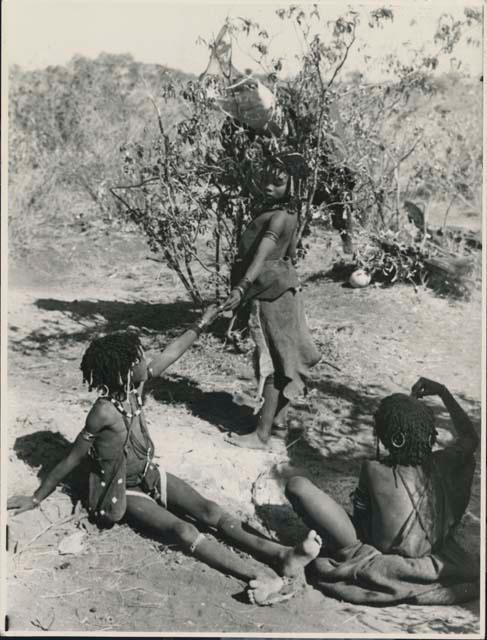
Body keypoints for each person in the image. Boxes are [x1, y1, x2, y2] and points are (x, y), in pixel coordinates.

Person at [7, 316, 322, 606]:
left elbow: (171, 354)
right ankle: (254, 576)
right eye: (140, 359)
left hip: (148, 473)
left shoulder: (136, 390)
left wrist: (202, 322)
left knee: (210, 510)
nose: (147, 362)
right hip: (122, 490)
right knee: (183, 530)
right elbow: (72, 457)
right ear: (123, 372)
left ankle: (282, 556)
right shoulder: (103, 412)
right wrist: (36, 498)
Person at [283, 377, 480, 605]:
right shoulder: (444, 462)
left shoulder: (373, 469)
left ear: (391, 439)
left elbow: (362, 521)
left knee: (297, 485)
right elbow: (469, 438)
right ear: (429, 435)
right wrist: (444, 392)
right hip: (431, 551)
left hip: (372, 549)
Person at [220, 155, 321, 449]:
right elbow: (289, 255)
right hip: (285, 291)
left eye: (278, 182)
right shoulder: (289, 215)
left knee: (272, 364)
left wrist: (241, 288)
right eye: (266, 179)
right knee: (284, 359)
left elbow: (262, 256)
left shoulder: (276, 217)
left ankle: (261, 435)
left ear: (294, 184)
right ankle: (277, 426)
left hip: (268, 295)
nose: (268, 186)